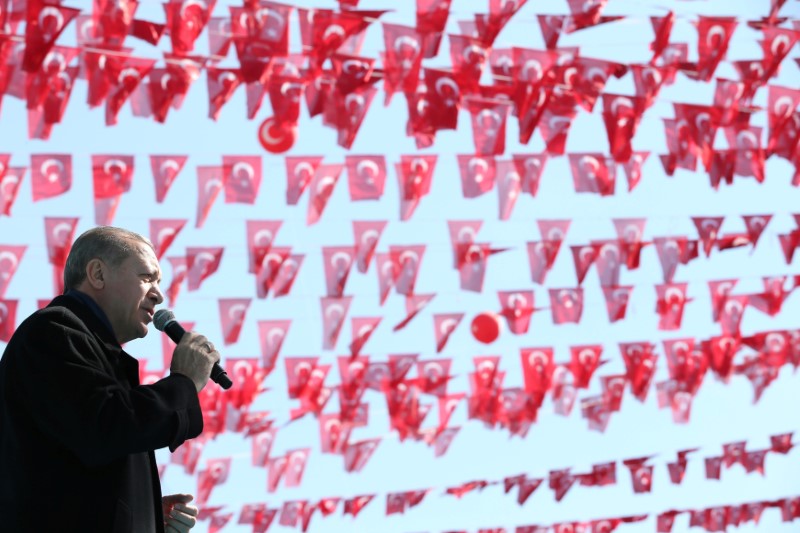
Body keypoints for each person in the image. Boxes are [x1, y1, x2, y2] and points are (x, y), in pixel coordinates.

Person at [0, 226, 221, 532]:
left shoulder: (83, 344)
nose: (158, 294)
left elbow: (77, 463)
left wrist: (144, 513)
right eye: (147, 277)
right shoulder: (54, 331)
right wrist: (183, 381)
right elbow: (107, 425)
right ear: (98, 274)